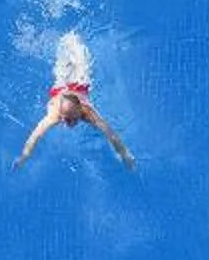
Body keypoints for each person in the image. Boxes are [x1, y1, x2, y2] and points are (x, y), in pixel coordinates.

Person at [18, 33, 133, 168]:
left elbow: (110, 134)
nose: (69, 123)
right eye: (66, 119)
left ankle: (73, 40)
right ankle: (67, 41)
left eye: (73, 119)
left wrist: (126, 155)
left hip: (79, 87)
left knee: (81, 65)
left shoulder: (88, 113)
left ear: (80, 111)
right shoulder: (54, 115)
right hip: (60, 89)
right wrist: (24, 157)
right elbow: (35, 136)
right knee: (62, 70)